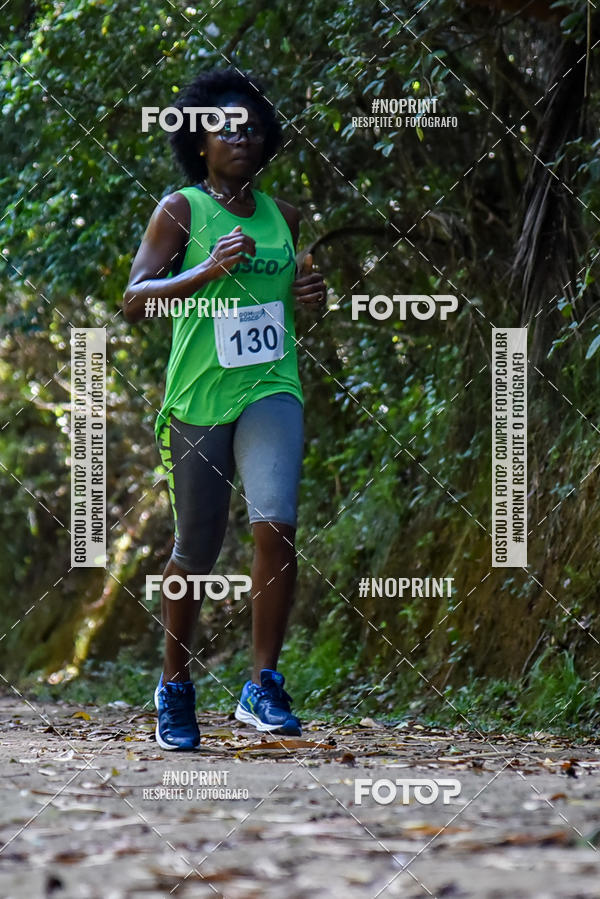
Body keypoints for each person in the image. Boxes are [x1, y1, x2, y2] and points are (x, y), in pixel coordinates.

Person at [123, 68, 326, 750]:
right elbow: (135, 300)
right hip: (200, 395)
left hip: (272, 386)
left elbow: (288, 299)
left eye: (253, 128)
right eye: (226, 129)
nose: (242, 137)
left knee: (277, 527)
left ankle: (262, 683)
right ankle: (175, 685)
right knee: (198, 546)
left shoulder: (284, 217)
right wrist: (205, 270)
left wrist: (310, 299)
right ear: (200, 143)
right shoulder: (180, 210)